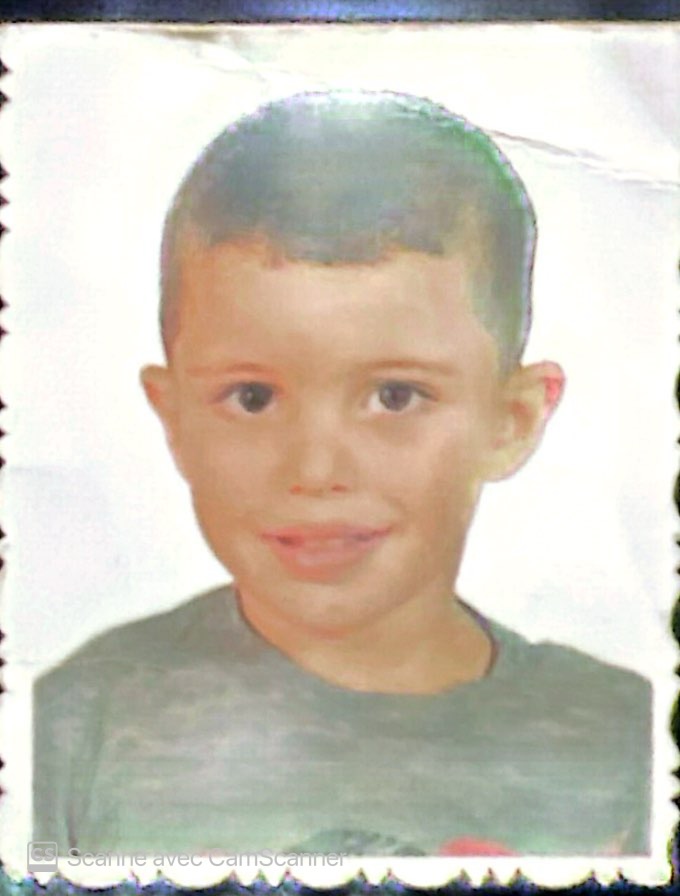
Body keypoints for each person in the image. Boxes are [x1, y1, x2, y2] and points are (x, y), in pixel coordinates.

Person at [33, 90, 651, 858]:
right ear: (174, 417)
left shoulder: (628, 745)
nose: (316, 470)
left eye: (395, 397)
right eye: (252, 398)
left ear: (513, 419)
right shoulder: (68, 729)